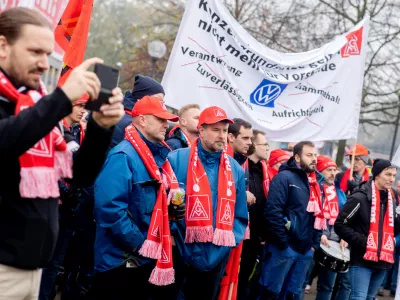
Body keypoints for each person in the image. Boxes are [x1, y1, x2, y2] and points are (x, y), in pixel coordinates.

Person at [0, 7, 124, 299]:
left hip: (33, 268)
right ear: (3, 46)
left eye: (47, 53)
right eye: (35, 52)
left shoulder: (34, 103)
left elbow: (78, 174)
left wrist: (100, 128)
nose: (45, 64)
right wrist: (62, 98)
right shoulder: (43, 107)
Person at [91, 96, 184, 299]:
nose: (166, 124)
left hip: (144, 260)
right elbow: (109, 210)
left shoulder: (159, 159)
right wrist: (141, 244)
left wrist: (174, 212)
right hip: (119, 262)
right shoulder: (123, 155)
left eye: (166, 119)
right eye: (160, 119)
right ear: (142, 120)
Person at [168, 106, 248, 300]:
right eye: (215, 130)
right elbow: (161, 204)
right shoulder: (176, 159)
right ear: (201, 130)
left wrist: (225, 246)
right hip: (178, 251)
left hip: (215, 258)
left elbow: (240, 215)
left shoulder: (236, 169)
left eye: (225, 131)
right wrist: (171, 235)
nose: (221, 135)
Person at [259, 141, 323, 300]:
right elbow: (273, 212)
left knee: (292, 295)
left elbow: (318, 216)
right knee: (271, 294)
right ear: (297, 157)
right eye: (309, 155)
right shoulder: (284, 178)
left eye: (315, 155)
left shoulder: (314, 183)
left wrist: (313, 246)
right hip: (284, 249)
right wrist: (283, 244)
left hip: (304, 251)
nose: (314, 158)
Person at [335, 159, 400, 300]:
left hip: (383, 261)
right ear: (376, 175)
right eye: (388, 174)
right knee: (359, 297)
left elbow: (393, 230)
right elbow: (340, 225)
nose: (391, 179)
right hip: (362, 259)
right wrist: (364, 242)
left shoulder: (392, 199)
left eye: (394, 175)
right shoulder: (360, 197)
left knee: (369, 298)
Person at [219, 118, 253, 300]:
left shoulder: (241, 162)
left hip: (234, 231)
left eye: (251, 138)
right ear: (231, 137)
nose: (250, 143)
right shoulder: (222, 159)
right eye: (245, 138)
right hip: (220, 233)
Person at [237, 129, 270, 300]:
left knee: (246, 281)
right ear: (254, 145)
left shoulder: (264, 171)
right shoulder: (240, 166)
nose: (267, 148)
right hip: (240, 234)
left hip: (256, 237)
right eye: (264, 144)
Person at [315, 155, 351, 300]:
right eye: (328, 169)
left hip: (333, 244)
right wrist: (320, 234)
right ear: (319, 171)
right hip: (315, 240)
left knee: (327, 286)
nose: (333, 173)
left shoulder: (340, 193)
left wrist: (344, 236)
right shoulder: (314, 188)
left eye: (334, 170)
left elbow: (345, 218)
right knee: (301, 282)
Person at [111, 74, 165, 148]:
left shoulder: (128, 116)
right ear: (141, 98)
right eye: (157, 99)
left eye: (162, 102)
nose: (160, 105)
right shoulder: (130, 122)